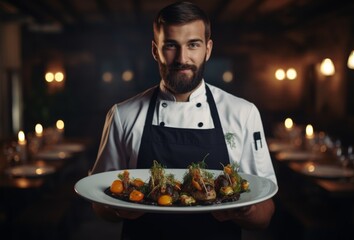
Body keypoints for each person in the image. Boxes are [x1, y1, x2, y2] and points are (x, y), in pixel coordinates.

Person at [90, 1, 277, 239]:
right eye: (170, 45)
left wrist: (244, 210)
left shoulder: (243, 113)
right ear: (155, 50)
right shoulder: (122, 115)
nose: (182, 58)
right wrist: (118, 210)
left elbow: (265, 213)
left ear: (207, 49)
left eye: (193, 45)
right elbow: (99, 203)